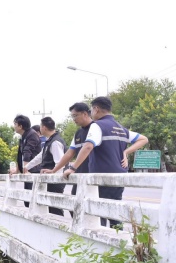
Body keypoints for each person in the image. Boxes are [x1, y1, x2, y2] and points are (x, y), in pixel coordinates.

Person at [62, 96, 148, 227]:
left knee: (99, 212)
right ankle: (118, 236)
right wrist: (125, 152)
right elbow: (143, 139)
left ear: (96, 109)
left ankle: (101, 238)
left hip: (102, 176)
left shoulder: (97, 126)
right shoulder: (120, 128)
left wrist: (73, 168)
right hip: (119, 176)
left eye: (91, 110)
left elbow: (88, 146)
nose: (91, 113)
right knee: (114, 212)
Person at [42, 102, 93, 196]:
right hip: (79, 174)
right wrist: (54, 170)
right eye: (72, 116)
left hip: (93, 174)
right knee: (74, 200)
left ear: (85, 114)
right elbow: (70, 153)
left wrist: (123, 154)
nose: (74, 119)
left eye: (75, 116)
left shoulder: (96, 127)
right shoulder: (79, 132)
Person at [25, 117, 67, 215]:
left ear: (44, 127)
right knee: (49, 206)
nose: (40, 128)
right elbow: (40, 157)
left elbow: (60, 163)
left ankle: (58, 223)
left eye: (40, 126)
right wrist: (26, 167)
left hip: (55, 180)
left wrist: (56, 180)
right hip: (50, 179)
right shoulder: (50, 141)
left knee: (54, 207)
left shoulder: (55, 142)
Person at [10, 114, 42, 207]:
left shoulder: (32, 134)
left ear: (20, 126)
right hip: (27, 170)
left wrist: (26, 169)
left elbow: (27, 153)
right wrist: (17, 170)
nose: (14, 126)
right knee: (27, 201)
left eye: (15, 124)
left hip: (33, 171)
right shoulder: (23, 136)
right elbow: (20, 155)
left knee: (32, 201)